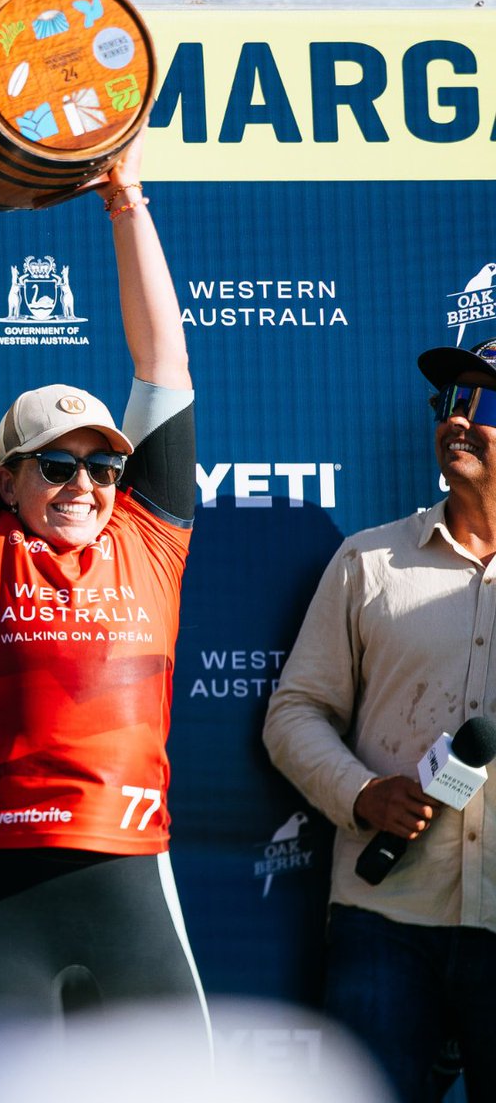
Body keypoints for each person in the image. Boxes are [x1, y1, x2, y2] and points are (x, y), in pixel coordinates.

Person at [0, 88, 210, 1080]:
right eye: (59, 464)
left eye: (106, 465)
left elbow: (163, 362)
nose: (89, 483)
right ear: (5, 479)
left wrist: (128, 198)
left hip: (134, 887)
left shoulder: (150, 536)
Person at [263, 338, 496, 1103]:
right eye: (448, 403)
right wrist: (363, 794)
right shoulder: (368, 562)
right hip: (384, 918)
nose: (457, 421)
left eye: (482, 402)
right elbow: (294, 712)